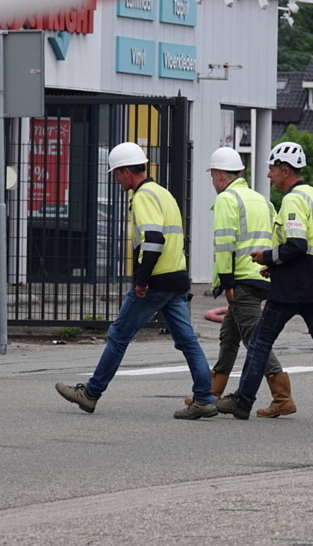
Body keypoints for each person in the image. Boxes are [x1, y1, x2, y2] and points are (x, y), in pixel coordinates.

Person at [56, 142, 216, 420]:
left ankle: (90, 394)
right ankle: (203, 398)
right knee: (188, 341)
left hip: (155, 281)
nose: (116, 179)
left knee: (118, 335)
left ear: (128, 171)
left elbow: (153, 241)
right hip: (177, 279)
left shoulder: (143, 196)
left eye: (117, 173)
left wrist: (142, 281)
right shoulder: (164, 194)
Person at [215, 141, 313, 426]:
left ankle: (243, 401)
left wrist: (267, 256)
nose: (269, 176)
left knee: (259, 341)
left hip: (297, 286)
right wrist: (275, 265)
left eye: (271, 170)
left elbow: (296, 244)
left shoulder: (293, 200)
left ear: (285, 170)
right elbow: (306, 247)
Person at [189, 146, 297, 418]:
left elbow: (225, 243)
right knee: (229, 335)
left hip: (242, 280)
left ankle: (282, 397)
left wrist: (227, 282)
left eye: (212, 177)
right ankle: (211, 393)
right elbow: (277, 237)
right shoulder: (261, 199)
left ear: (219, 175)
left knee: (255, 339)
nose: (213, 183)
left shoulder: (228, 199)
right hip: (262, 275)